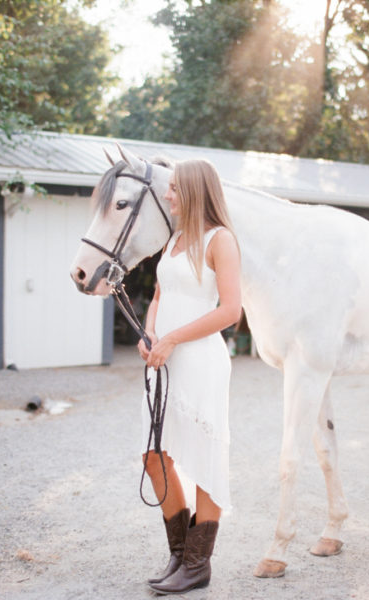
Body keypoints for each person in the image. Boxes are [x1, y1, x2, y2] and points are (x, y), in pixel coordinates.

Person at [137, 158, 242, 595]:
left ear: (197, 191)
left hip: (200, 360)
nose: (168, 194)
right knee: (154, 454)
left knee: (203, 456)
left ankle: (198, 564)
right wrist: (148, 333)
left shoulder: (222, 240)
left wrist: (174, 338)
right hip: (163, 359)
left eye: (176, 188)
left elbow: (230, 311)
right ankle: (180, 554)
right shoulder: (175, 239)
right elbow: (160, 294)